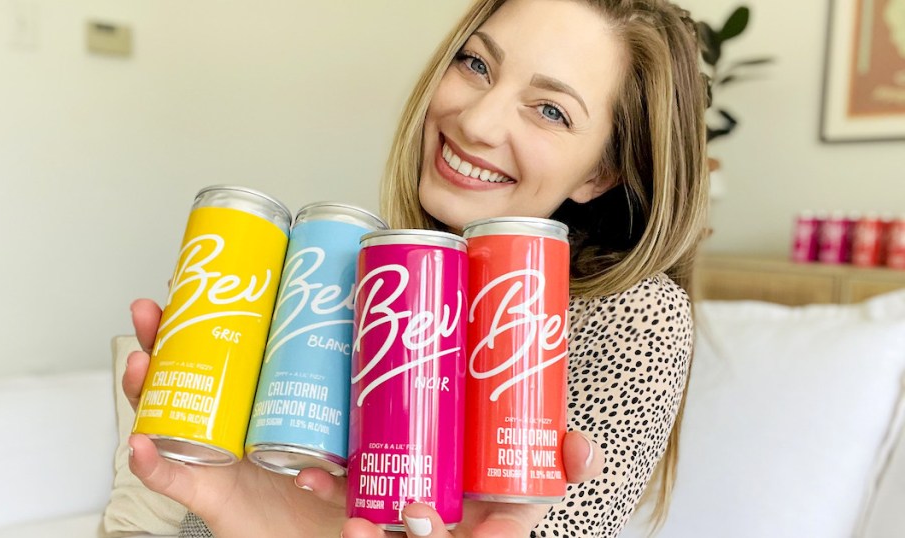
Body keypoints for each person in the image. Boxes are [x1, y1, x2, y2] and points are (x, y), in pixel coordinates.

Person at [125, 0, 709, 536]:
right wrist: (239, 514)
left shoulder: (639, 315)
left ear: (598, 174)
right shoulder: (364, 271)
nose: (477, 122)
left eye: (550, 110)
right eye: (477, 64)